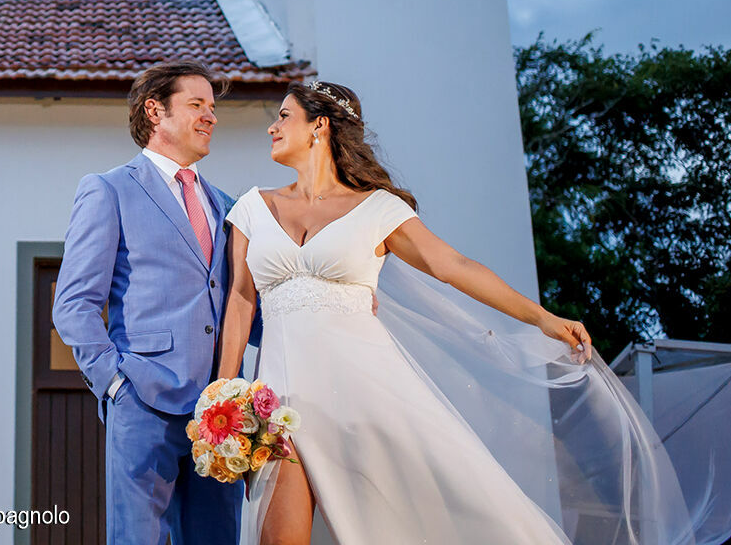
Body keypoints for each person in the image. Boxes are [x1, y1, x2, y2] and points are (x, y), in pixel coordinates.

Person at [217, 80, 689, 545]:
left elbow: (452, 266)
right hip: (278, 402)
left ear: (318, 126)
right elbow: (241, 300)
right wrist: (222, 389)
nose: (271, 128)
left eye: (283, 116)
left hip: (364, 392)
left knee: (412, 522)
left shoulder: (378, 209)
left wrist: (541, 317)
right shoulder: (253, 207)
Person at [52, 61, 245, 545]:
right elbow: (74, 303)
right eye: (197, 105)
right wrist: (114, 383)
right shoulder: (109, 189)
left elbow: (239, 301)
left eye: (213, 108)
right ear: (155, 110)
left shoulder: (226, 202)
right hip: (143, 399)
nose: (211, 117)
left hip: (218, 413)